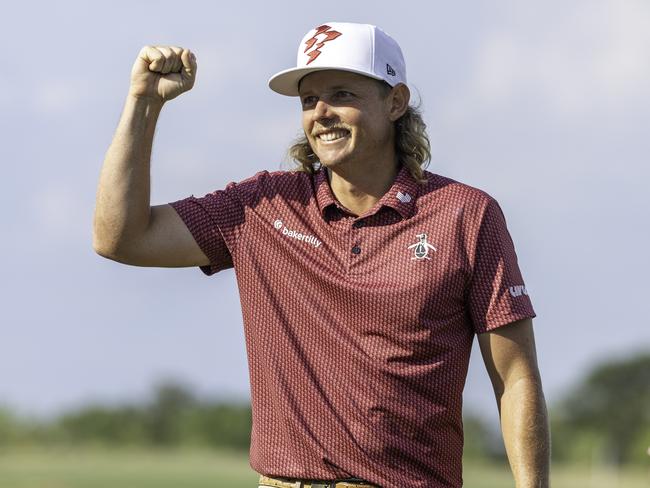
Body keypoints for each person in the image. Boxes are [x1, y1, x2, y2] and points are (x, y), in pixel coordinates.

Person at [93, 21, 550, 488]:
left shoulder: (466, 215)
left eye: (342, 94)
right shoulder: (262, 206)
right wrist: (143, 103)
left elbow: (515, 378)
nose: (322, 113)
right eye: (309, 100)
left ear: (395, 101)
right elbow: (121, 237)